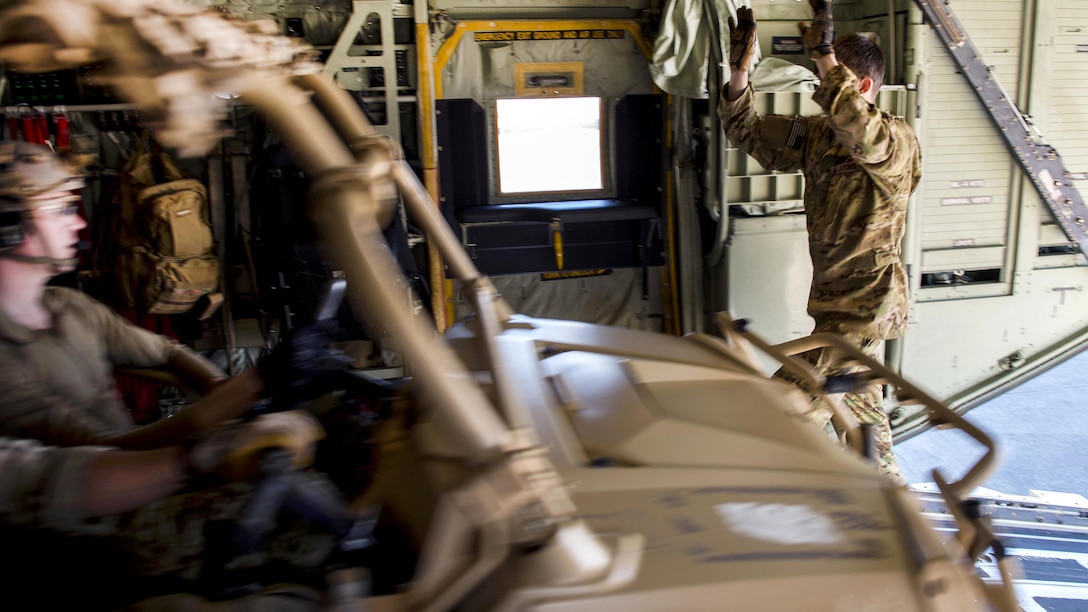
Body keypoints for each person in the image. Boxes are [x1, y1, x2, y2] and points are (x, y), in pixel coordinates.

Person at [718, 2, 922, 483]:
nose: (820, 95)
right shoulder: (818, 136)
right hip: (833, 308)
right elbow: (744, 130)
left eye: (831, 82)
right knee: (864, 426)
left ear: (864, 87)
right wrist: (739, 72)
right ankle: (893, 508)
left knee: (780, 416)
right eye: (819, 80)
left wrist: (828, 56)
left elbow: (862, 131)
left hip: (865, 310)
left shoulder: (894, 141)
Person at [0, 140, 264, 449]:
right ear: (9, 227)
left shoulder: (70, 306)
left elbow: (165, 351)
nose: (78, 222)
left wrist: (216, 385)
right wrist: (234, 400)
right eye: (61, 209)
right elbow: (97, 452)